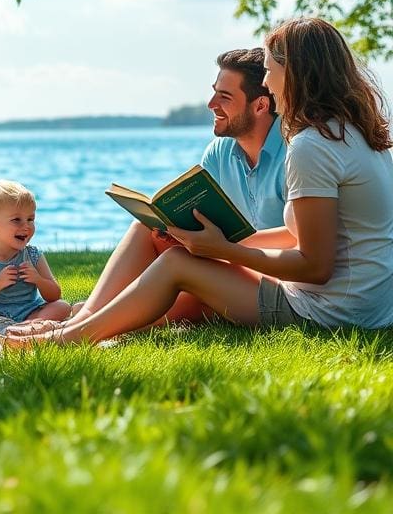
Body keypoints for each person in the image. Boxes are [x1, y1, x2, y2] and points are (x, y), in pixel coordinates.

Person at [6, 18, 393, 347]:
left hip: (331, 314)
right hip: (362, 308)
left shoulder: (312, 145)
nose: (270, 83)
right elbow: (311, 239)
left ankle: (67, 340)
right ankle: (79, 325)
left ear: (294, 75)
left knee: (176, 264)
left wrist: (226, 250)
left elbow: (316, 266)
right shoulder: (354, 135)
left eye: (272, 71)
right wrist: (220, 246)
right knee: (171, 248)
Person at [62, 48, 287, 329]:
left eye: (224, 97)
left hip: (275, 276)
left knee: (174, 280)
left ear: (261, 106)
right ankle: (84, 318)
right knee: (145, 228)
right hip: (232, 263)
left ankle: (86, 328)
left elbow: (301, 240)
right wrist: (174, 228)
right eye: (214, 91)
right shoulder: (220, 151)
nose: (211, 104)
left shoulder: (294, 154)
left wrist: (227, 247)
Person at [0, 180, 70, 330]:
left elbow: (54, 295)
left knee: (62, 306)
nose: (26, 226)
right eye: (16, 220)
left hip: (31, 311)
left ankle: (28, 324)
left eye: (30, 219)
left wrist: (38, 279)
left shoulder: (33, 255)